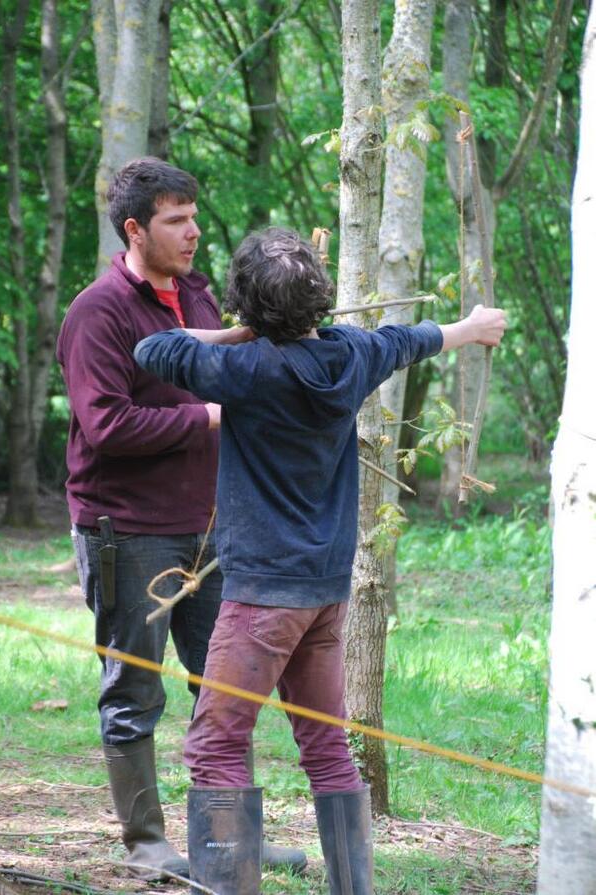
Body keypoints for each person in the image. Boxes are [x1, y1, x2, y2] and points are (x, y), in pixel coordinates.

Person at [134, 227, 507, 894]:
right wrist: (471, 326)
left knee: (215, 746)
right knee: (326, 746)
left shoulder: (243, 368)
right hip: (325, 593)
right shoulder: (354, 354)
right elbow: (411, 340)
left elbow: (154, 348)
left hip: (261, 600)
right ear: (317, 302)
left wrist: (239, 334)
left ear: (248, 309)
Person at [56, 161, 305, 881]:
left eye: (194, 215)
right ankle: (147, 846)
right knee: (134, 690)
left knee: (224, 690)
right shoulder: (97, 311)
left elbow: (218, 354)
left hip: (213, 527)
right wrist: (210, 415)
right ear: (135, 229)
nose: (194, 231)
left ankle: (230, 842)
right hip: (127, 531)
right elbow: (105, 424)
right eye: (175, 219)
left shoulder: (195, 294)